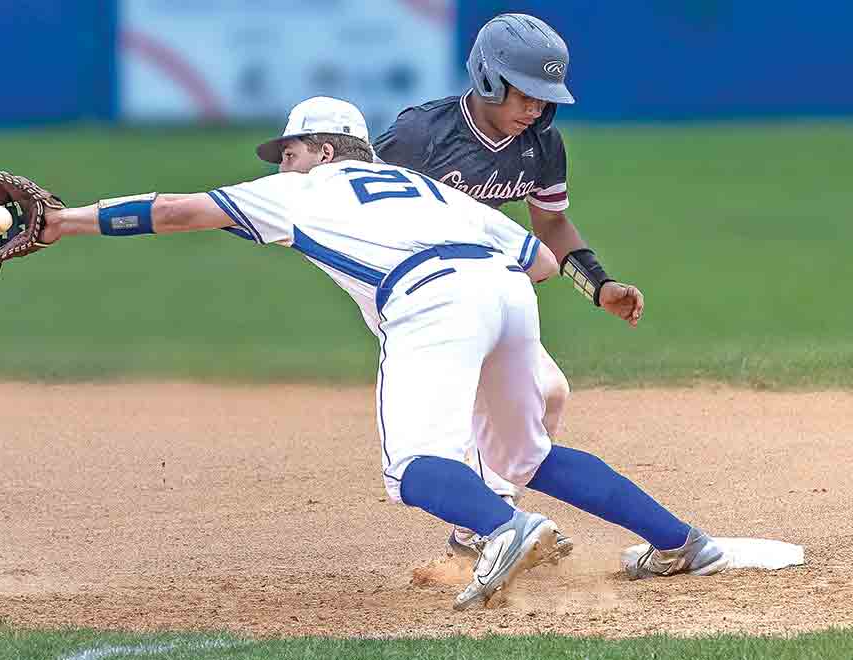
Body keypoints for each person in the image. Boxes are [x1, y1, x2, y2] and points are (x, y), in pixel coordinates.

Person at [36, 97, 726, 609]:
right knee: (524, 454)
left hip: (429, 300)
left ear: (326, 150)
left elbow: (177, 211)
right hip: (505, 291)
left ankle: (504, 527)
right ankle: (680, 542)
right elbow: (542, 261)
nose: (283, 163)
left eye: (291, 150)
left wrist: (62, 223)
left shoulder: (302, 190)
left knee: (413, 468)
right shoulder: (427, 187)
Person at [372, 13, 645, 557]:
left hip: (480, 291)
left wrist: (599, 285)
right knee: (454, 416)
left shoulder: (542, 144)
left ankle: (481, 523)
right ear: (489, 78)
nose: (536, 109)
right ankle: (484, 520)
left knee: (549, 392)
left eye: (547, 98)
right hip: (416, 294)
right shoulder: (420, 135)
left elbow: (551, 224)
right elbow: (356, 197)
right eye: (526, 94)